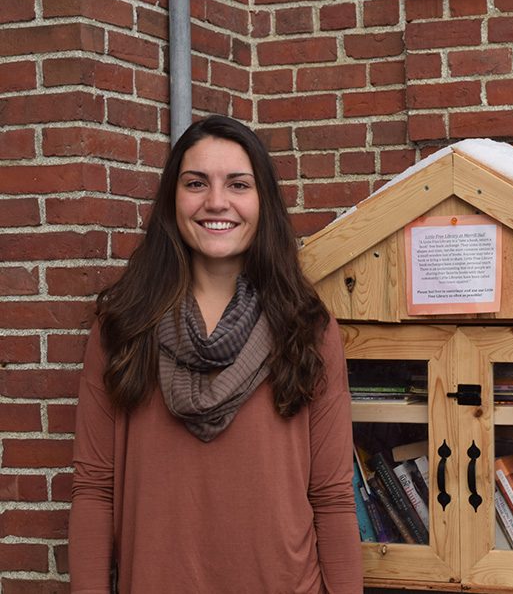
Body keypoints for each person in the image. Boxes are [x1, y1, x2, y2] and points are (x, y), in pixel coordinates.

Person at [70, 116, 363, 592]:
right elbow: (94, 490)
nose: (216, 202)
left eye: (238, 184)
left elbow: (331, 497)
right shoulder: (123, 325)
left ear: (262, 202)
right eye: (196, 183)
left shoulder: (305, 327)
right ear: (173, 199)